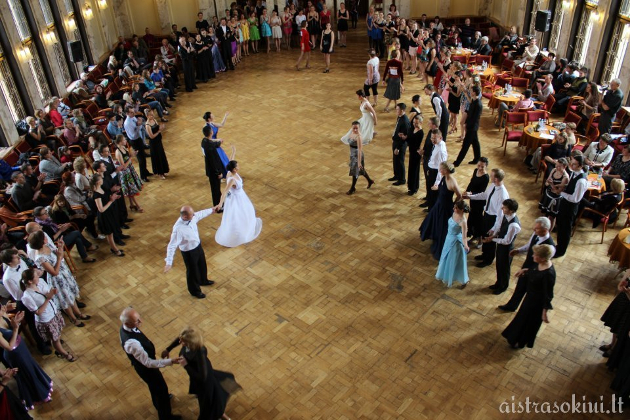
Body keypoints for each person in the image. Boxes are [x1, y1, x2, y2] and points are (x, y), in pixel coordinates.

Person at [162, 327, 240, 420]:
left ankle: (220, 415)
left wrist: (186, 365)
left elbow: (203, 377)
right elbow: (180, 339)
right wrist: (168, 349)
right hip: (196, 377)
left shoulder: (200, 351)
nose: (181, 343)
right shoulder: (187, 342)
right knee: (213, 401)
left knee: (207, 407)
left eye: (184, 342)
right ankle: (221, 414)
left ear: (192, 342)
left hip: (204, 382)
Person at [119, 307, 182, 420]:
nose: (140, 322)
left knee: (155, 388)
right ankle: (165, 416)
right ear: (127, 323)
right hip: (147, 370)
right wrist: (170, 361)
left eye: (139, 318)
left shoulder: (126, 328)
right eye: (137, 321)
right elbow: (148, 362)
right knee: (160, 390)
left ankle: (158, 403)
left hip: (144, 366)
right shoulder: (132, 343)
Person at [28, 230, 90, 326]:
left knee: (70, 295)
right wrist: (60, 257)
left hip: (64, 273)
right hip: (57, 280)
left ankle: (78, 313)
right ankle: (73, 318)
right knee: (64, 299)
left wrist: (60, 247)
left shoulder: (46, 246)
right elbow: (54, 272)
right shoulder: (40, 258)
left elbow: (57, 254)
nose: (46, 238)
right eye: (44, 237)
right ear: (41, 241)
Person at [501, 244, 556, 349]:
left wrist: (544, 312)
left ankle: (521, 342)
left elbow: (548, 294)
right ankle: (514, 337)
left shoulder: (549, 274)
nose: (532, 256)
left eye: (535, 254)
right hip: (530, 298)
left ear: (543, 258)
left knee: (528, 323)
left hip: (537, 304)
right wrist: (525, 270)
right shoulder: (540, 264)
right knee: (521, 318)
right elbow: (535, 271)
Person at [0, 249, 52, 355]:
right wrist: (30, 287)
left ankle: (51, 338)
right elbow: (17, 294)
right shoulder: (7, 278)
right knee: (34, 323)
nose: (19, 258)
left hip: (34, 290)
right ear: (9, 262)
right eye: (16, 257)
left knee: (45, 316)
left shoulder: (21, 262)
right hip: (24, 300)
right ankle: (41, 345)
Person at [0, 307, 52, 410]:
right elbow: (9, 347)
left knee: (32, 368)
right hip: (15, 354)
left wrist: (17, 322)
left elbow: (12, 329)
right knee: (27, 374)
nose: (3, 307)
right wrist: (15, 328)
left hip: (21, 348)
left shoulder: (3, 316)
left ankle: (43, 386)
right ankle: (37, 396)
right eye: (0, 307)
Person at [20, 267, 76, 362]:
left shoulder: (41, 282)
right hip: (46, 319)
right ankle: (64, 354)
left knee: (56, 336)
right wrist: (48, 298)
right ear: (30, 281)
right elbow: (37, 312)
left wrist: (53, 292)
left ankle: (58, 348)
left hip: (53, 312)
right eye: (36, 276)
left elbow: (49, 291)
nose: (38, 276)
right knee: (55, 339)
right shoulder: (27, 296)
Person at [164, 206, 217, 299]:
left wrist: (212, 210)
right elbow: (171, 246)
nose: (194, 216)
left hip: (197, 246)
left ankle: (203, 280)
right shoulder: (178, 229)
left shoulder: (192, 217)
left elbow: (200, 214)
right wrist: (169, 262)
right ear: (184, 217)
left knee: (202, 265)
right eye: (192, 215)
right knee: (192, 272)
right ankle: (195, 291)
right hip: (189, 252)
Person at [465, 168, 510, 268]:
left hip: (493, 219)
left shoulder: (503, 195)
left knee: (490, 239)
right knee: (484, 235)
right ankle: (484, 254)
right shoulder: (493, 185)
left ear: (496, 179)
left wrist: (495, 229)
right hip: (487, 214)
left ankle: (488, 259)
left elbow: (500, 215)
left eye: (492, 176)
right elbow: (485, 195)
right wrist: (471, 196)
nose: (490, 177)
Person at [215, 161, 263, 247]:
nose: (239, 166)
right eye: (237, 166)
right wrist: (220, 204)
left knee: (247, 212)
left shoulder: (230, 172)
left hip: (241, 197)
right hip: (236, 200)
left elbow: (230, 160)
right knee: (237, 216)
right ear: (234, 169)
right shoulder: (232, 180)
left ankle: (245, 228)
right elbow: (225, 192)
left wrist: (233, 151)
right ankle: (237, 234)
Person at [421, 162, 462, 260]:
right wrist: (437, 187)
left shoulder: (452, 181)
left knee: (442, 226)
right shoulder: (444, 177)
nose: (439, 170)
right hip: (439, 204)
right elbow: (442, 187)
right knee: (433, 220)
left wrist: (454, 205)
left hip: (445, 207)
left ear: (446, 170)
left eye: (441, 169)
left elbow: (459, 195)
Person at [484, 199, 521, 294]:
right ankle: (498, 283)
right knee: (499, 265)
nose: (502, 208)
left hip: (506, 249)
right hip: (501, 246)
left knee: (504, 268)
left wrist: (492, 239)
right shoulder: (506, 216)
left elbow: (506, 241)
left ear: (511, 210)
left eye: (504, 207)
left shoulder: (513, 225)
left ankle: (503, 286)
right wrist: (494, 234)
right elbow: (500, 228)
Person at [555, 155, 587, 257]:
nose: (571, 166)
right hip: (565, 204)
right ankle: (558, 245)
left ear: (581, 166)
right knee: (561, 225)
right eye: (571, 163)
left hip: (570, 207)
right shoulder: (574, 173)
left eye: (574, 164)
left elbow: (575, 199)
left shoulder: (581, 181)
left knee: (565, 229)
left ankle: (561, 250)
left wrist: (560, 193)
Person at [436, 200, 470, 288]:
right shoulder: (454, 213)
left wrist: (465, 245)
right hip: (448, 239)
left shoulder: (463, 221)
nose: (454, 209)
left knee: (454, 262)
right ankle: (445, 274)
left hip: (455, 243)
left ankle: (463, 280)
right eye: (454, 207)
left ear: (462, 210)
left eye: (456, 208)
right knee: (446, 258)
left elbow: (464, 237)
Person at [600, 270, 630, 358]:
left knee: (620, 328)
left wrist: (628, 292)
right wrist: (621, 286)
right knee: (615, 324)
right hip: (623, 299)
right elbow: (624, 279)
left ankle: (615, 349)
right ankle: (612, 344)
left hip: (628, 305)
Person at [341, 121, 375, 195]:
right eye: (354, 128)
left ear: (359, 128)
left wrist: (359, 162)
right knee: (360, 170)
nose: (355, 130)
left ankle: (353, 188)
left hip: (357, 156)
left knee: (355, 172)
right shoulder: (351, 133)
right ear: (352, 127)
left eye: (357, 128)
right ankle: (370, 181)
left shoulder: (359, 137)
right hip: (353, 155)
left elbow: (359, 150)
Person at [453, 85, 482, 166]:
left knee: (465, 146)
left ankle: (457, 162)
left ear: (474, 92)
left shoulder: (478, 104)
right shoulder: (474, 101)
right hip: (471, 127)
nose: (470, 91)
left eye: (471, 90)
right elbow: (470, 114)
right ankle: (477, 158)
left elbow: (475, 118)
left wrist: (467, 125)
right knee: (475, 143)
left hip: (472, 128)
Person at [114, 135, 144, 212]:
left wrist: (133, 154)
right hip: (125, 173)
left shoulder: (123, 147)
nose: (126, 141)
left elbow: (128, 156)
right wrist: (131, 157)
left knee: (131, 189)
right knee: (131, 190)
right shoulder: (118, 152)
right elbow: (123, 166)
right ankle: (138, 206)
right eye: (124, 140)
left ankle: (131, 205)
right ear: (120, 142)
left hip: (130, 170)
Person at [538, 158, 569, 231]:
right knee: (544, 213)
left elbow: (558, 192)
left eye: (559, 166)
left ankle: (548, 232)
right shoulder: (554, 170)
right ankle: (542, 229)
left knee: (552, 217)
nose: (557, 167)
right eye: (556, 165)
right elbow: (547, 182)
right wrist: (547, 182)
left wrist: (551, 184)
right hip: (548, 194)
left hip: (556, 198)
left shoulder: (565, 177)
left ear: (564, 167)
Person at [420, 128, 448, 210]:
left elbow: (441, 168)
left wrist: (437, 183)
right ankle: (430, 207)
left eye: (434, 138)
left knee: (434, 194)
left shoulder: (441, 150)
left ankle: (432, 211)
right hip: (431, 170)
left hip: (435, 173)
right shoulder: (438, 144)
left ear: (440, 138)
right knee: (430, 192)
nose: (432, 140)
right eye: (431, 138)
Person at [465, 158, 490, 246]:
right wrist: (467, 191)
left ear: (486, 166)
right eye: (478, 165)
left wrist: (470, 194)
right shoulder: (476, 170)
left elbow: (481, 192)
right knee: (471, 218)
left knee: (478, 220)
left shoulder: (486, 177)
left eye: (482, 167)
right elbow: (471, 182)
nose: (479, 168)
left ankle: (480, 239)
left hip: (479, 201)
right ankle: (474, 235)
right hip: (472, 198)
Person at [124, 107, 151, 182]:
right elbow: (132, 135)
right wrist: (139, 125)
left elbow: (137, 124)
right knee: (141, 159)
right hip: (134, 141)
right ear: (127, 113)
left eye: (133, 112)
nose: (133, 113)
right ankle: (143, 176)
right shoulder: (127, 123)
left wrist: (139, 123)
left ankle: (146, 172)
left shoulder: (133, 118)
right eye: (131, 112)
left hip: (138, 139)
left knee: (143, 156)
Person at [201, 126, 225, 208]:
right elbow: (213, 162)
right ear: (211, 133)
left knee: (216, 189)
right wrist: (218, 172)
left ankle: (220, 203)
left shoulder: (204, 141)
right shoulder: (210, 147)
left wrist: (218, 142)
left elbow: (212, 143)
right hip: (214, 171)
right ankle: (218, 206)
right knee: (216, 189)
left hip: (210, 170)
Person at [388, 103, 410, 186]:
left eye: (397, 109)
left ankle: (402, 179)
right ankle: (396, 175)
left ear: (402, 110)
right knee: (395, 160)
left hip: (400, 144)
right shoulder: (400, 117)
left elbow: (404, 138)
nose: (396, 111)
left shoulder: (405, 121)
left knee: (400, 161)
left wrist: (398, 148)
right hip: (396, 142)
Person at [144, 110, 169, 180]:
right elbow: (151, 136)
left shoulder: (154, 120)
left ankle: (164, 170)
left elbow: (158, 128)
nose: (153, 116)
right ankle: (160, 173)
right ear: (147, 116)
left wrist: (161, 127)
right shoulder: (147, 125)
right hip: (154, 143)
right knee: (157, 157)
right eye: (151, 115)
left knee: (161, 155)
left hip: (158, 141)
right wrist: (159, 131)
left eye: (153, 114)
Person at [407, 115, 424, 196]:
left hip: (416, 154)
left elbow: (415, 144)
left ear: (420, 123)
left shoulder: (421, 132)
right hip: (412, 152)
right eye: (414, 122)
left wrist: (408, 140)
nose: (414, 124)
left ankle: (414, 188)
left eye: (416, 123)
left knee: (415, 171)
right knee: (411, 170)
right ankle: (410, 187)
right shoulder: (412, 129)